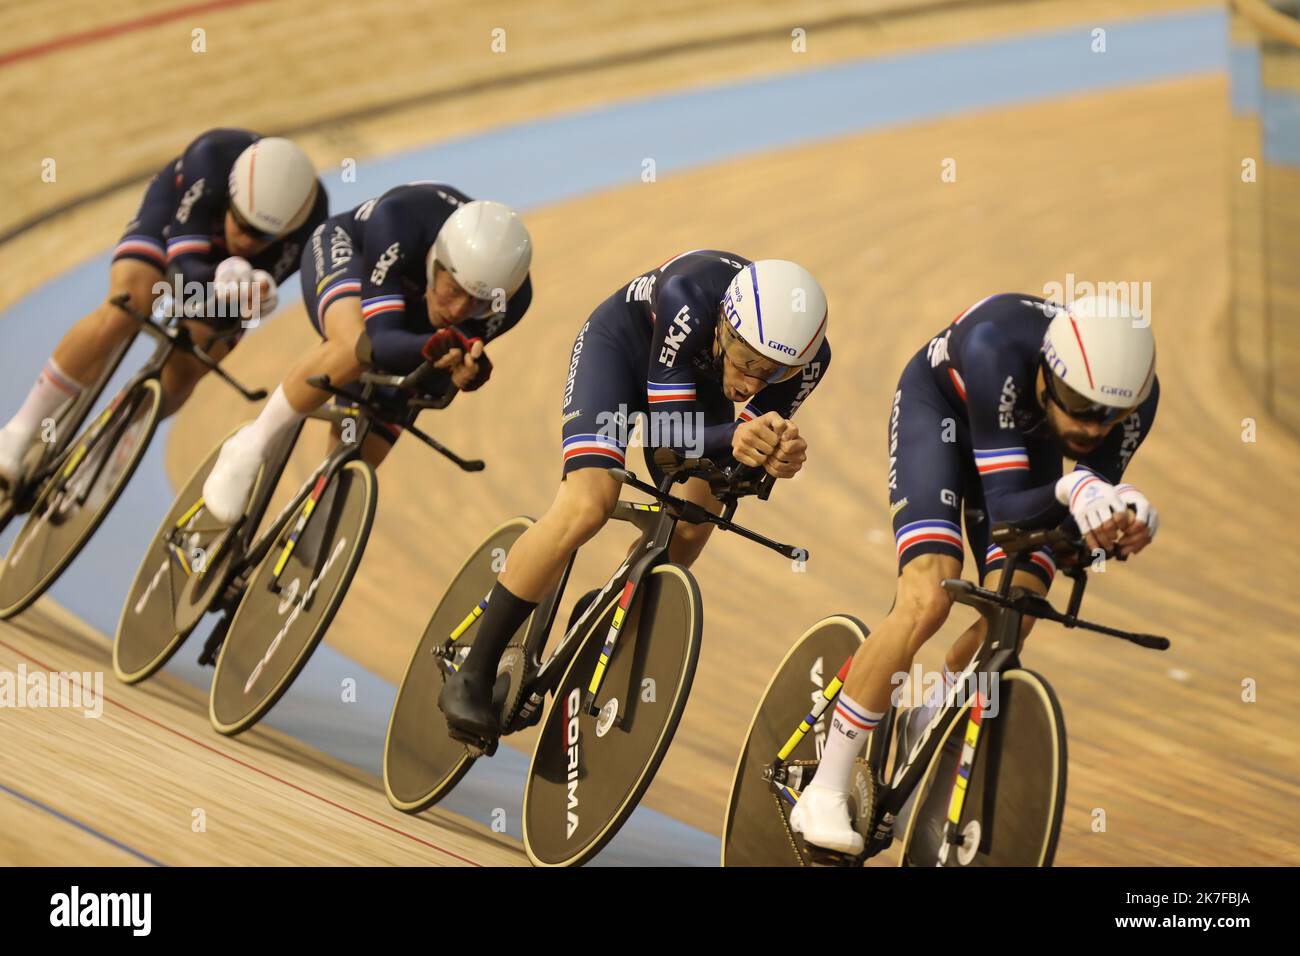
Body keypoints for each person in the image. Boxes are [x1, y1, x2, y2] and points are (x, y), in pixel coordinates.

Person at [789, 292, 1161, 855]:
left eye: (1109, 418)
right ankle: (825, 786)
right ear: (1048, 378)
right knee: (929, 595)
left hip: (1021, 442)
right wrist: (1074, 487)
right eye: (1081, 409)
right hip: (941, 413)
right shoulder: (996, 345)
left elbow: (1076, 527)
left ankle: (933, 712)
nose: (1092, 428)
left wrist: (1119, 521)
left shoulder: (1135, 399)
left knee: (1019, 607)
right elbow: (1012, 507)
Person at [438, 250, 832, 743]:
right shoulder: (687, 295)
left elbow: (738, 459)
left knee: (692, 523)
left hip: (699, 387)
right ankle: (474, 672)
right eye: (749, 362)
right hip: (621, 354)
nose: (754, 382)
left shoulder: (809, 361)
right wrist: (734, 437)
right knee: (588, 505)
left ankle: (601, 612)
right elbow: (667, 439)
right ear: (725, 327)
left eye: (773, 373)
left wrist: (774, 458)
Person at [0, 129, 326, 489]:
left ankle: (113, 444)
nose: (247, 241)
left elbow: (244, 302)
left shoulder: (310, 222)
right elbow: (184, 263)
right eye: (243, 225)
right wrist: (216, 275)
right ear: (230, 199)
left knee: (195, 359)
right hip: (173, 222)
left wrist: (256, 294)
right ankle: (19, 431)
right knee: (126, 306)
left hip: (228, 272)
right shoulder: (211, 157)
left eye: (262, 237)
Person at [200, 183, 533, 519]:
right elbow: (384, 341)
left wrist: (464, 373)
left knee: (382, 422)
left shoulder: (512, 301)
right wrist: (435, 349)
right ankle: (252, 444)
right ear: (436, 261)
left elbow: (434, 376)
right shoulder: (400, 218)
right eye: (454, 290)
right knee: (354, 345)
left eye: (478, 304)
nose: (459, 310)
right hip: (351, 254)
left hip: (411, 295)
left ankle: (313, 515)